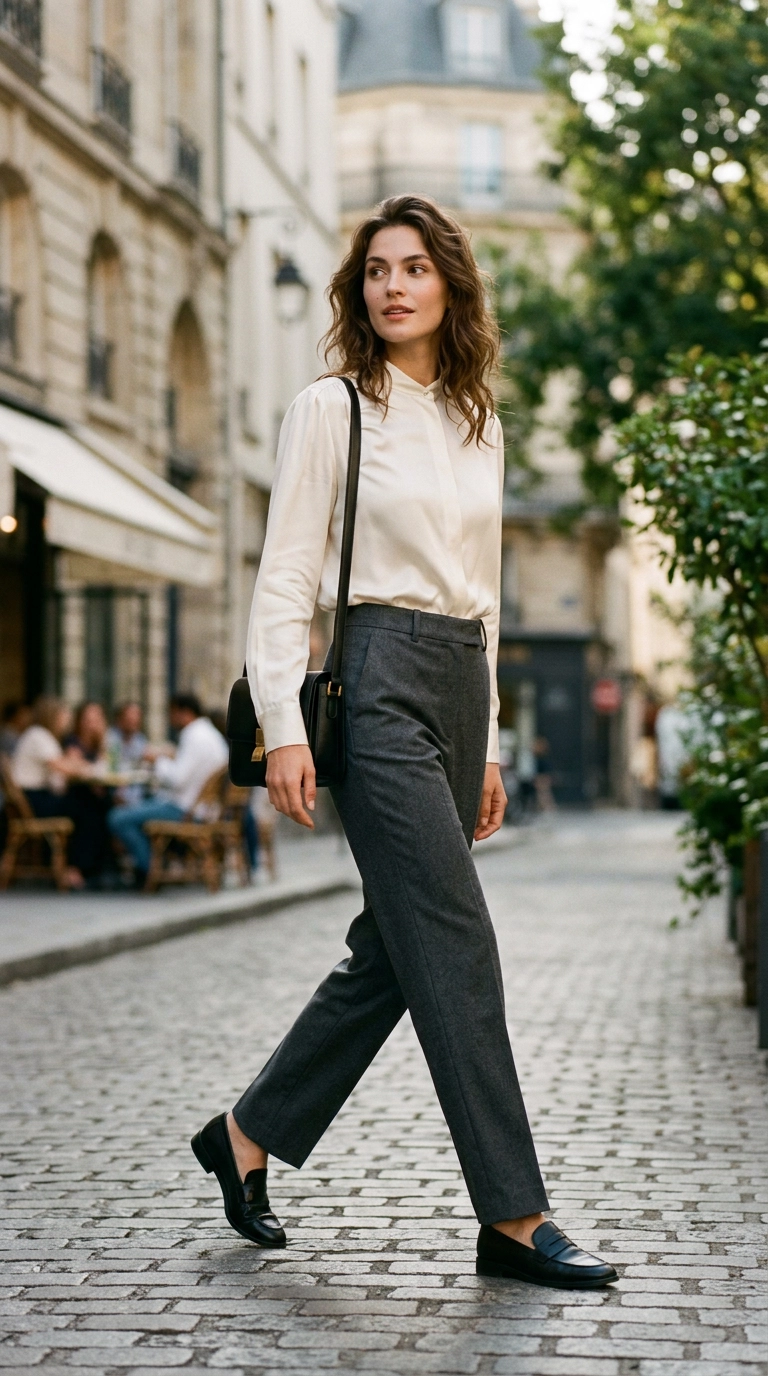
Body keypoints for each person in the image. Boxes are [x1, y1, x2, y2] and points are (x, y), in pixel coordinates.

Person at [190, 196, 617, 1291]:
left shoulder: (481, 420)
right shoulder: (332, 407)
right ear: (359, 287)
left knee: (399, 945)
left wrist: (489, 745)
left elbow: (488, 597)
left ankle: (244, 1135)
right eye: (376, 268)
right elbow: (287, 571)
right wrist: (285, 725)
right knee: (457, 935)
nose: (393, 285)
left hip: (462, 682)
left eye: (415, 267)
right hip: (372, 680)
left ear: (449, 287)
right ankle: (514, 1214)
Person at [108, 693, 228, 885]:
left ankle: (149, 870)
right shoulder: (209, 734)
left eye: (171, 713)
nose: (170, 719)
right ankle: (153, 865)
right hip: (202, 809)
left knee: (118, 818)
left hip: (185, 809)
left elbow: (177, 779)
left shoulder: (194, 735)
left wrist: (157, 759)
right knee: (137, 806)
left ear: (184, 713)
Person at [9, 696, 84, 889]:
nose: (67, 720)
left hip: (36, 797)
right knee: (84, 805)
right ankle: (77, 867)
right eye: (64, 715)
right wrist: (80, 763)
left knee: (85, 802)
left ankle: (80, 866)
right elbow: (61, 767)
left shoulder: (44, 737)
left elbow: (58, 779)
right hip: (32, 799)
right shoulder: (38, 735)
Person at [63, 702, 115, 886]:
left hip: (94, 794)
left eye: (97, 718)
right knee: (90, 810)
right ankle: (78, 868)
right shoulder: (72, 741)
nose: (92, 723)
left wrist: (102, 740)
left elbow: (107, 766)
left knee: (109, 806)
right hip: (74, 794)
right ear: (80, 721)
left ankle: (103, 867)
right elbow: (75, 768)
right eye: (88, 719)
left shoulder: (99, 742)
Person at [106, 702, 148, 807]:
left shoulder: (140, 740)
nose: (134, 720)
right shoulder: (110, 738)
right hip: (112, 792)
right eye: (130, 717)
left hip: (137, 796)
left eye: (137, 716)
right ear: (119, 719)